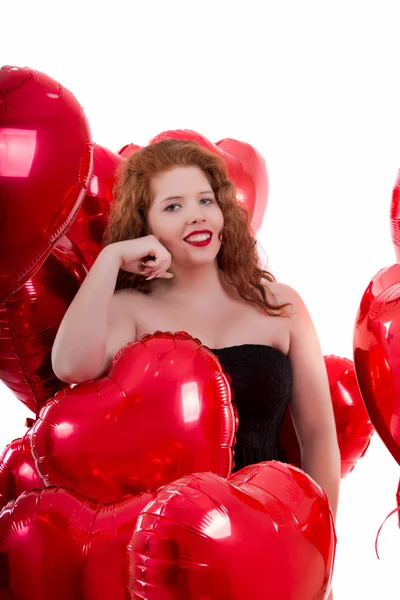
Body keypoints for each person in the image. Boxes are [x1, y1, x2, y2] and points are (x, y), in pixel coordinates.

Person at [51, 139, 341, 527]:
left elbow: (319, 435)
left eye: (206, 201)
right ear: (146, 225)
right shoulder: (129, 309)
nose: (196, 216)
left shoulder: (281, 305)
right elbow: (69, 366)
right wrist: (111, 258)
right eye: (173, 206)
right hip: (169, 545)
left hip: (273, 536)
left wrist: (322, 548)